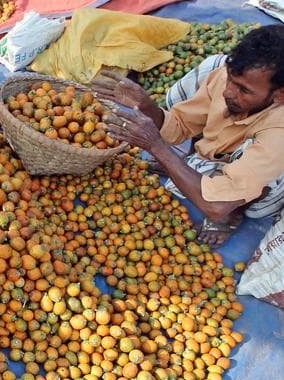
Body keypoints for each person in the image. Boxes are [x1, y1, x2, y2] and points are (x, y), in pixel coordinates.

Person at [92, 24, 284, 246]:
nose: (228, 92)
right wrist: (147, 106)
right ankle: (192, 165)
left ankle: (236, 211)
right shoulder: (227, 77)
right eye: (231, 79)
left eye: (244, 90)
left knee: (241, 195)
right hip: (222, 149)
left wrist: (157, 147)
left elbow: (216, 205)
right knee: (209, 68)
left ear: (279, 95)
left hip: (268, 173)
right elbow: (180, 125)